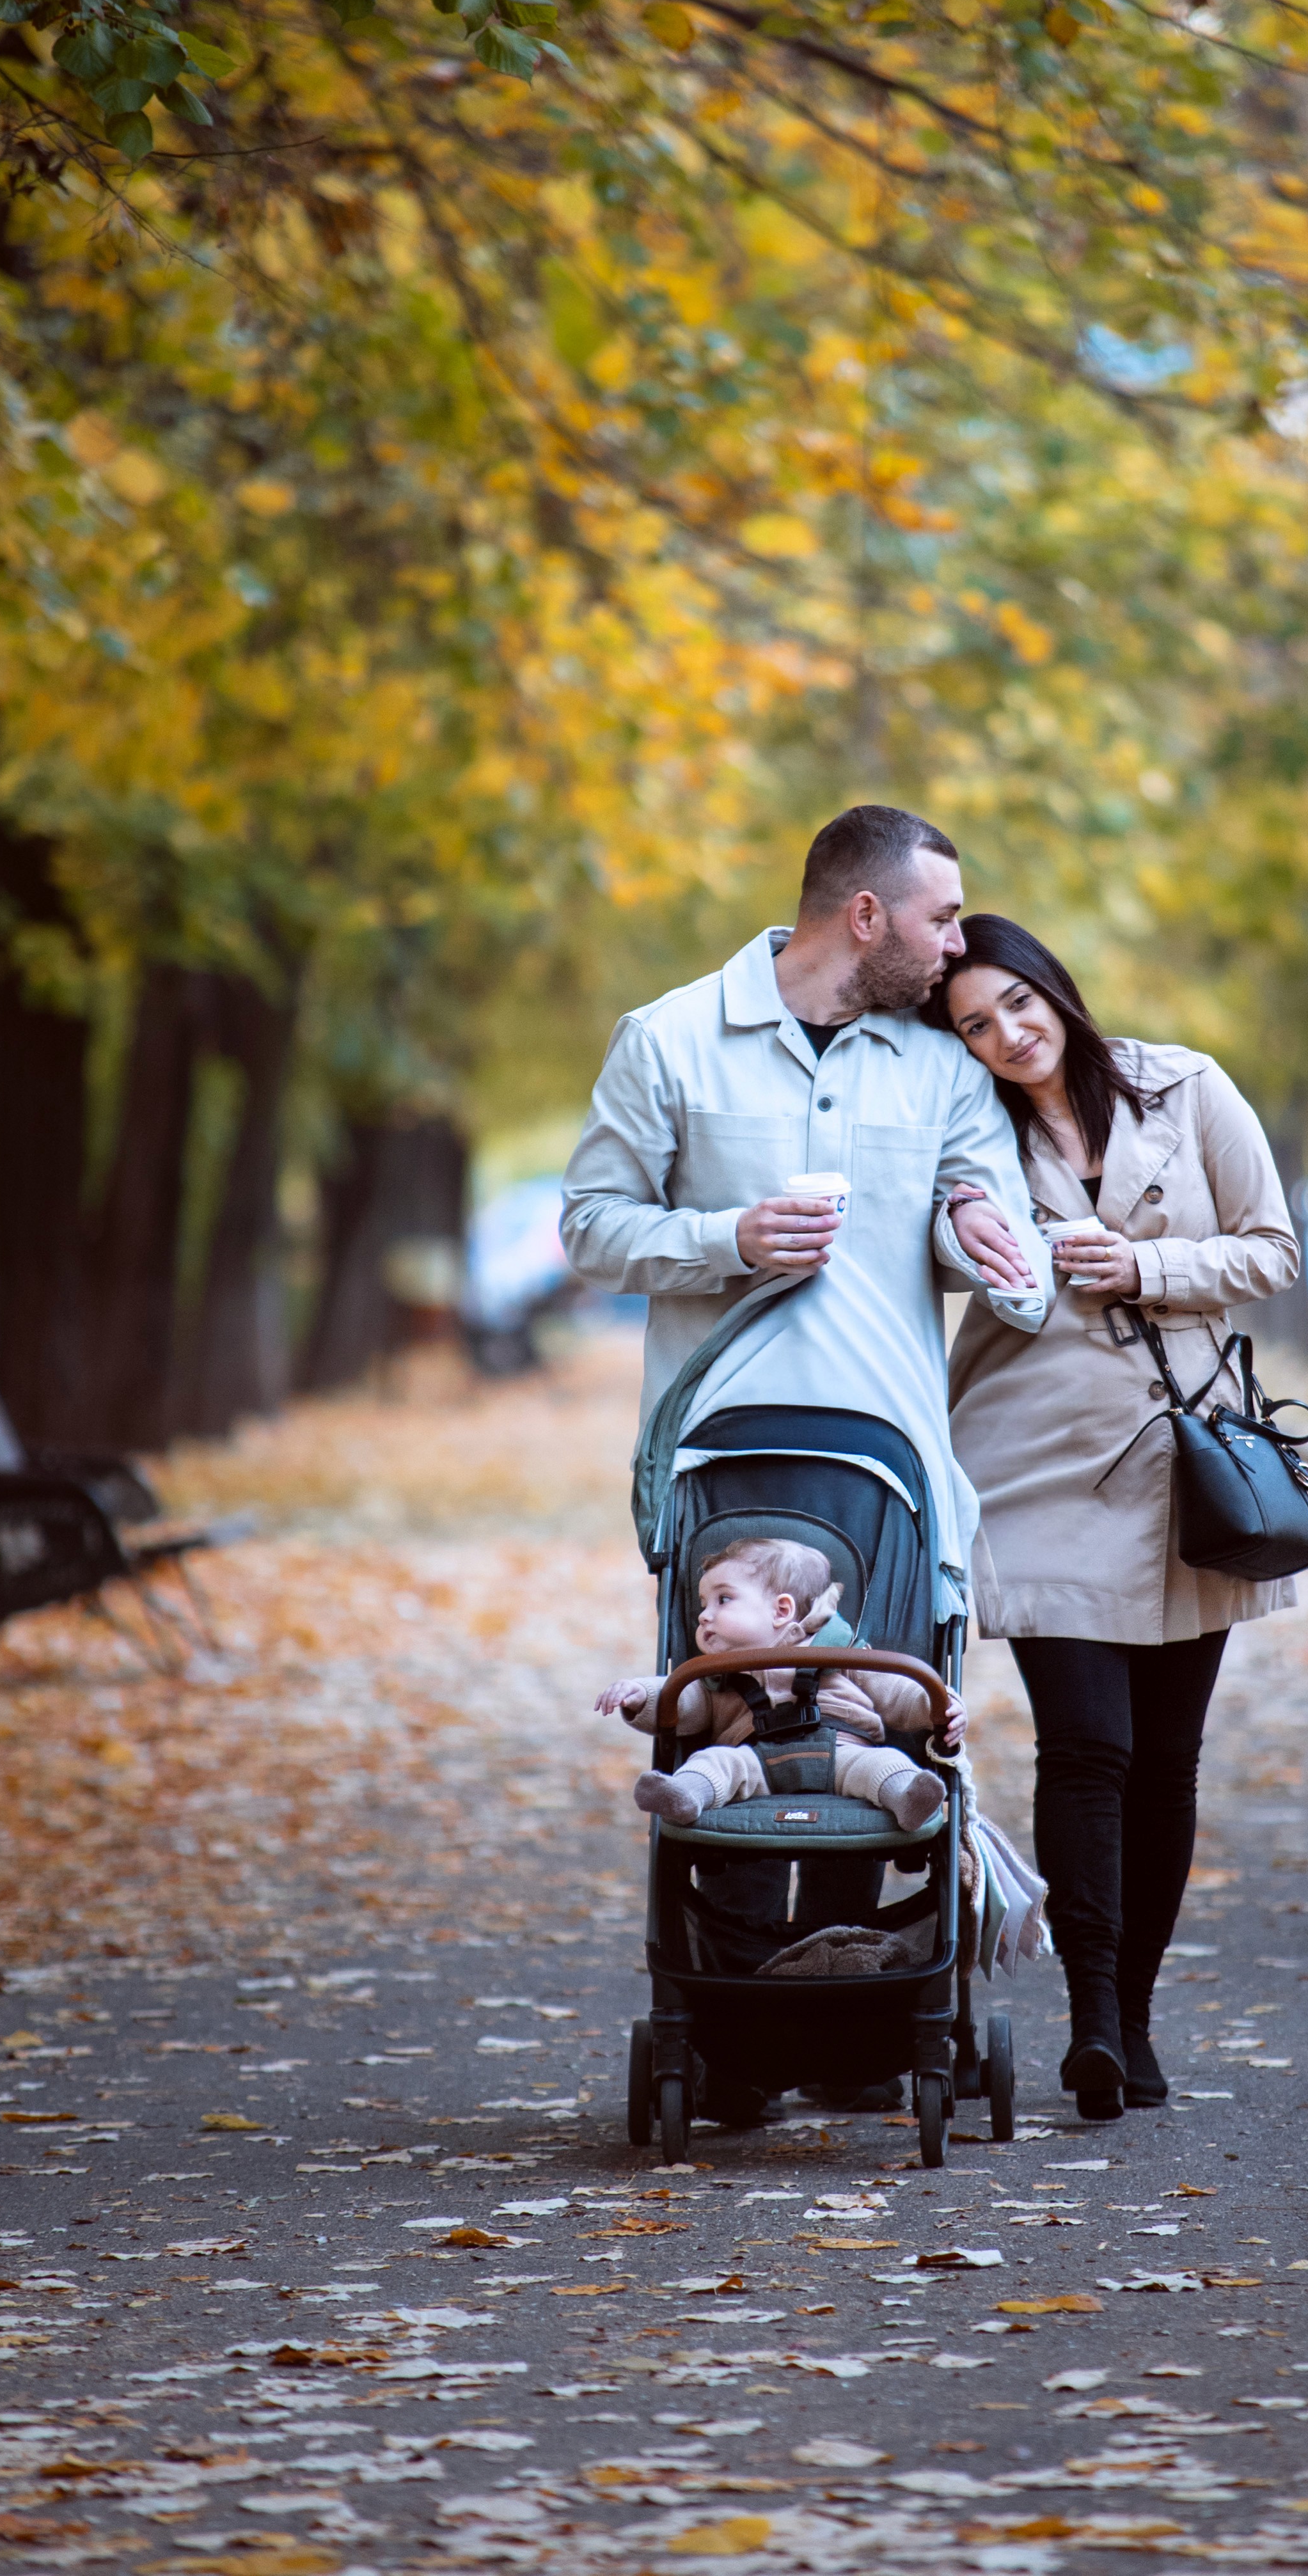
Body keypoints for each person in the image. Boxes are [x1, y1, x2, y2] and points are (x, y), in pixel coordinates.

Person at [561, 808, 1052, 2114]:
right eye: (944, 917)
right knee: (730, 1721)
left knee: (869, 1722)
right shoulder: (669, 1038)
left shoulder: (940, 1067)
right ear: (867, 916)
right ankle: (728, 2032)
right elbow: (593, 1230)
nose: (962, 943)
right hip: (722, 1462)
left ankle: (849, 2026)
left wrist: (986, 1239)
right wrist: (730, 1238)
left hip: (895, 1471)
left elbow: (997, 1226)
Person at [925, 915, 1302, 2122]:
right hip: (1032, 1466)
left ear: (1055, 989)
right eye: (974, 1024)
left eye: (1017, 1005)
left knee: (1167, 1762)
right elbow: (926, 1247)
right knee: (1087, 1747)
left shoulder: (1186, 1089)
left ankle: (1133, 2021)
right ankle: (1091, 2021)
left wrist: (1146, 1269)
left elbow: (1272, 1252)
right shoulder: (964, 1128)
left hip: (1185, 1463)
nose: (1007, 1036)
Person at [600, 1536, 966, 1832]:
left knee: (884, 1764)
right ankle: (684, 1795)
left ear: (781, 1611)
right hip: (754, 1759)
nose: (704, 1615)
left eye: (723, 1599)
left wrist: (937, 1704)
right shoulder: (715, 1673)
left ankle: (908, 1798)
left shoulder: (841, 1650)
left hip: (843, 1750)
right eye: (702, 1604)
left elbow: (895, 1692)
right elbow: (682, 1705)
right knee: (714, 1762)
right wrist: (642, 1697)